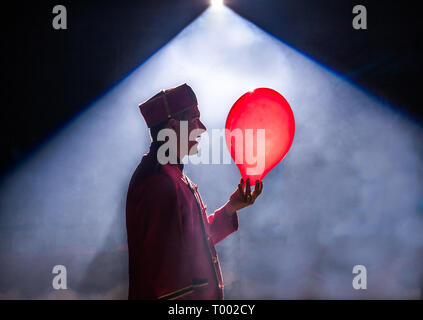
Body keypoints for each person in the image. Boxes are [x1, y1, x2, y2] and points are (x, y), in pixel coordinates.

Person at [125, 83, 263, 300]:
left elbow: (193, 243)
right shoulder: (159, 183)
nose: (203, 128)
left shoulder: (171, 175)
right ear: (172, 127)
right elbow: (169, 283)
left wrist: (230, 208)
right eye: (194, 119)